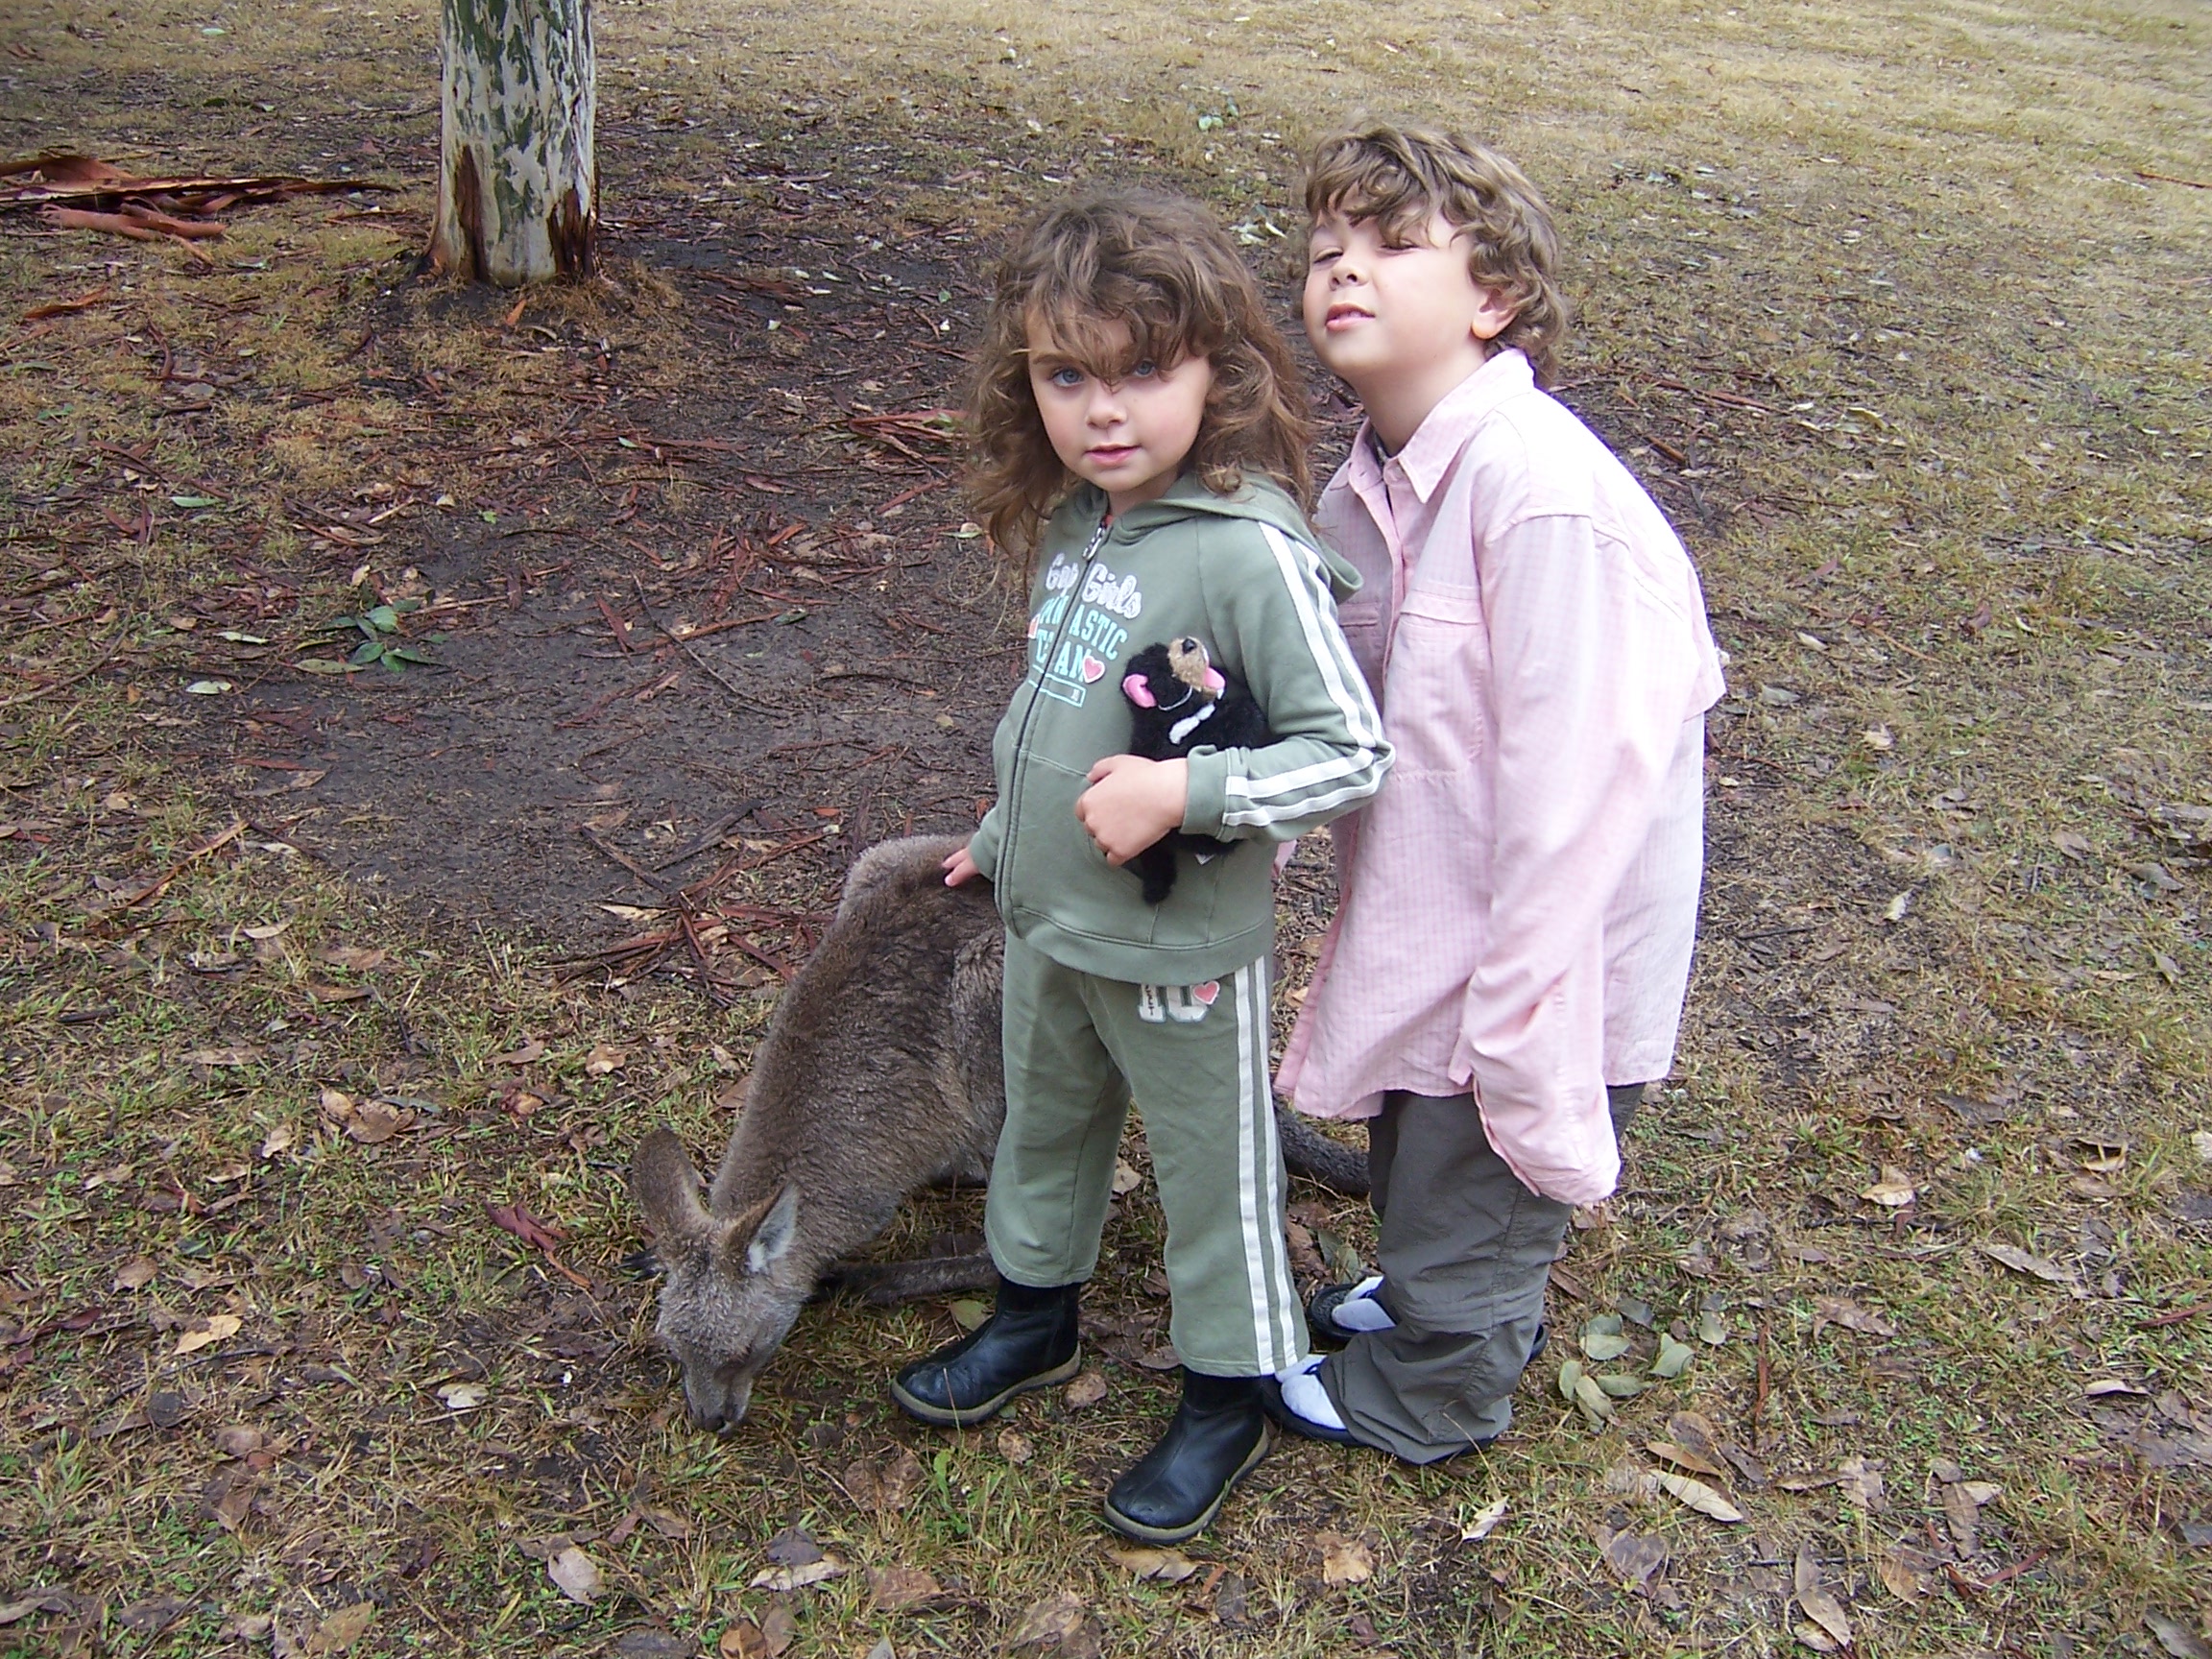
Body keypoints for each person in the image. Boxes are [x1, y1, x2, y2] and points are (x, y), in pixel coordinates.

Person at [888, 190, 1391, 1543]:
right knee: (1040, 1128)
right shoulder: (1078, 527)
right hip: (1050, 926)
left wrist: (1191, 790)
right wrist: (1002, 839)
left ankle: (1228, 1389)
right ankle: (1032, 1315)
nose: (1104, 411)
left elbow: (1351, 753)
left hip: (1179, 951)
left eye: (1141, 373)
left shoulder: (1250, 552)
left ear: (1216, 376)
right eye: (1067, 376)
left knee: (1210, 1172)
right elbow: (1056, 715)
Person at [1268, 124, 1726, 1462]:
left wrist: (1529, 1020)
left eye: (1394, 246)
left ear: (1495, 297)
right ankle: (1427, 1296)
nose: (1344, 271)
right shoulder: (1373, 485)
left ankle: (1435, 1387)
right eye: (1323, 251)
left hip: (1545, 939)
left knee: (1484, 1166)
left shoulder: (1539, 497)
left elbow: (1581, 794)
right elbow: (1331, 702)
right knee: (1425, 1140)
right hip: (1443, 903)